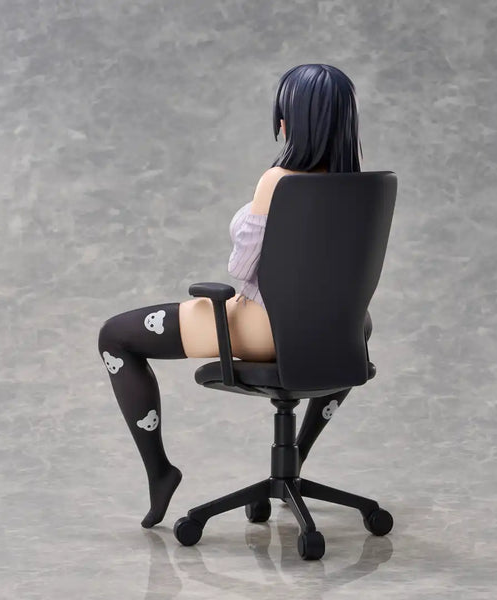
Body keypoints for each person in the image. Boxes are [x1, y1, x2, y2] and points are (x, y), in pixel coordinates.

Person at [97, 63, 372, 528]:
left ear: (293, 121)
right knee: (353, 335)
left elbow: (242, 269)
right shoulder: (363, 186)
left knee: (116, 337)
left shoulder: (278, 181)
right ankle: (298, 455)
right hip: (341, 328)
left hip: (265, 327)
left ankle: (160, 472)